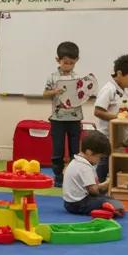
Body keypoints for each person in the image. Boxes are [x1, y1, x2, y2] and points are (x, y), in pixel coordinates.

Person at [92, 53, 128, 182]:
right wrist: (117, 117)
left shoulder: (123, 90)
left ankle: (110, 185)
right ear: (120, 73)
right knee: (104, 163)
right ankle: (98, 186)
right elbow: (98, 111)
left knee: (114, 162)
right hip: (105, 135)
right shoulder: (108, 89)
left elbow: (123, 108)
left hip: (117, 134)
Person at [43, 41, 83, 185]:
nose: (68, 66)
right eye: (65, 63)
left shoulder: (78, 78)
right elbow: (45, 93)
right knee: (58, 150)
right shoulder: (52, 77)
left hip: (74, 118)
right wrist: (55, 91)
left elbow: (82, 95)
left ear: (76, 61)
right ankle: (58, 176)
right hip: (57, 119)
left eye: (71, 63)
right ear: (58, 60)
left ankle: (73, 177)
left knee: (75, 150)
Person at [62, 131, 125, 217]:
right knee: (112, 202)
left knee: (107, 199)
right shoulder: (85, 167)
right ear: (89, 152)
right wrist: (106, 184)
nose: (99, 160)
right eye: (99, 157)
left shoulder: (75, 161)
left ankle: (108, 207)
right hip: (78, 204)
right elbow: (93, 190)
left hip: (69, 203)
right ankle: (108, 210)